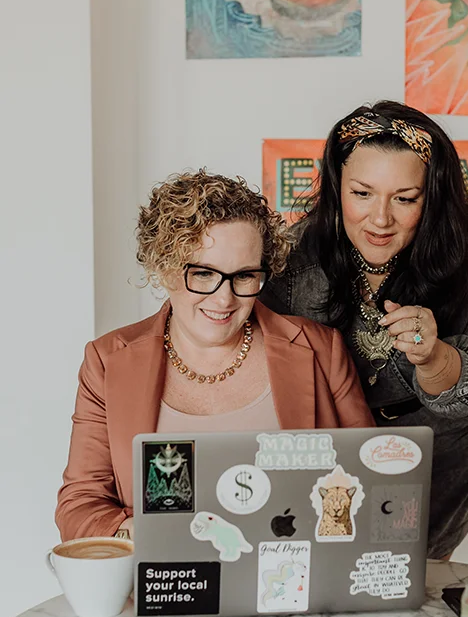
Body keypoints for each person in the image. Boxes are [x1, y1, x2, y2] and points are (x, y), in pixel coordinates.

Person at [56, 171, 373, 543]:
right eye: (203, 273)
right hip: (169, 585)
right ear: (164, 266)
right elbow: (80, 505)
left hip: (290, 584)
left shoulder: (321, 350)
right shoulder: (107, 361)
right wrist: (149, 536)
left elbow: (369, 480)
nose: (224, 300)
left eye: (244, 276)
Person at [261, 102, 468, 557]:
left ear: (431, 197)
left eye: (404, 198)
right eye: (362, 193)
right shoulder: (292, 258)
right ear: (337, 187)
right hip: (331, 453)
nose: (380, 219)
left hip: (439, 457)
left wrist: (433, 357)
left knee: (412, 593)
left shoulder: (466, 250)